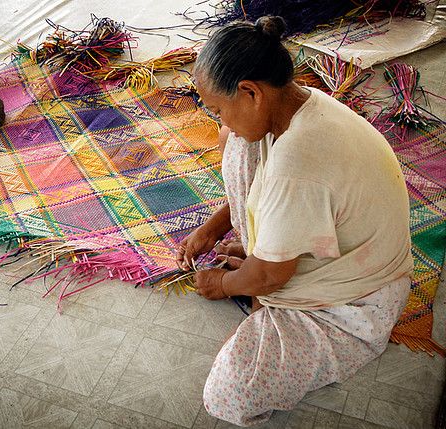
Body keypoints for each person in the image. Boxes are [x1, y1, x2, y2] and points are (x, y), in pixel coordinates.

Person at [175, 16, 413, 426]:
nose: (222, 120)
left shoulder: (296, 166)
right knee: (233, 140)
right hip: (344, 252)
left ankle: (261, 268)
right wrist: (214, 228)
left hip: (357, 303)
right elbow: (271, 178)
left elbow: (271, 277)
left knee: (229, 394)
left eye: (219, 109)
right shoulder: (302, 103)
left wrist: (223, 284)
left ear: (250, 92)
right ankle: (260, 250)